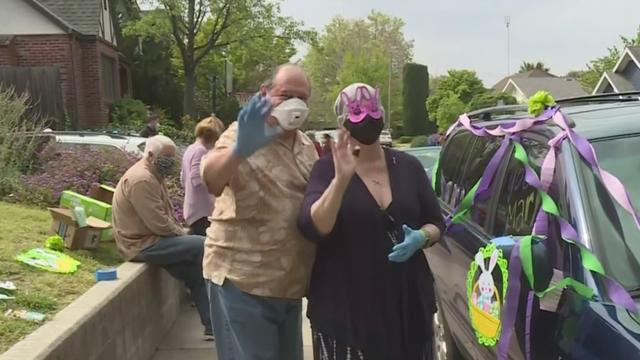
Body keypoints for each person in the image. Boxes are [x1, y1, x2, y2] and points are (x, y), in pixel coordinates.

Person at [298, 83, 445, 360]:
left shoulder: (408, 166)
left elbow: (436, 222)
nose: (367, 117)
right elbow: (313, 226)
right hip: (347, 312)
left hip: (407, 308)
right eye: (357, 111)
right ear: (343, 122)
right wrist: (341, 181)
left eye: (372, 109)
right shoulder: (325, 169)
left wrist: (422, 237)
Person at [200, 63, 318, 360]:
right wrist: (241, 149)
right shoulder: (243, 133)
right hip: (242, 282)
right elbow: (211, 178)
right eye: (286, 95)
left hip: (289, 287)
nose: (295, 104)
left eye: (302, 98)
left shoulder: (307, 146)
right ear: (265, 94)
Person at [111, 135, 212, 338]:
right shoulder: (142, 179)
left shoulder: (153, 175)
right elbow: (158, 223)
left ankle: (212, 324)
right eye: (166, 157)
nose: (170, 161)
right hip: (142, 244)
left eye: (172, 157)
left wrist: (180, 234)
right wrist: (182, 234)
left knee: (195, 271)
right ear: (150, 155)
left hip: (152, 240)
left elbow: (163, 218)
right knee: (202, 244)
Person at [181, 115, 225, 236]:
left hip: (192, 207)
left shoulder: (190, 148)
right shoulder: (201, 151)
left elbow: (183, 178)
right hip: (201, 211)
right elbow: (196, 179)